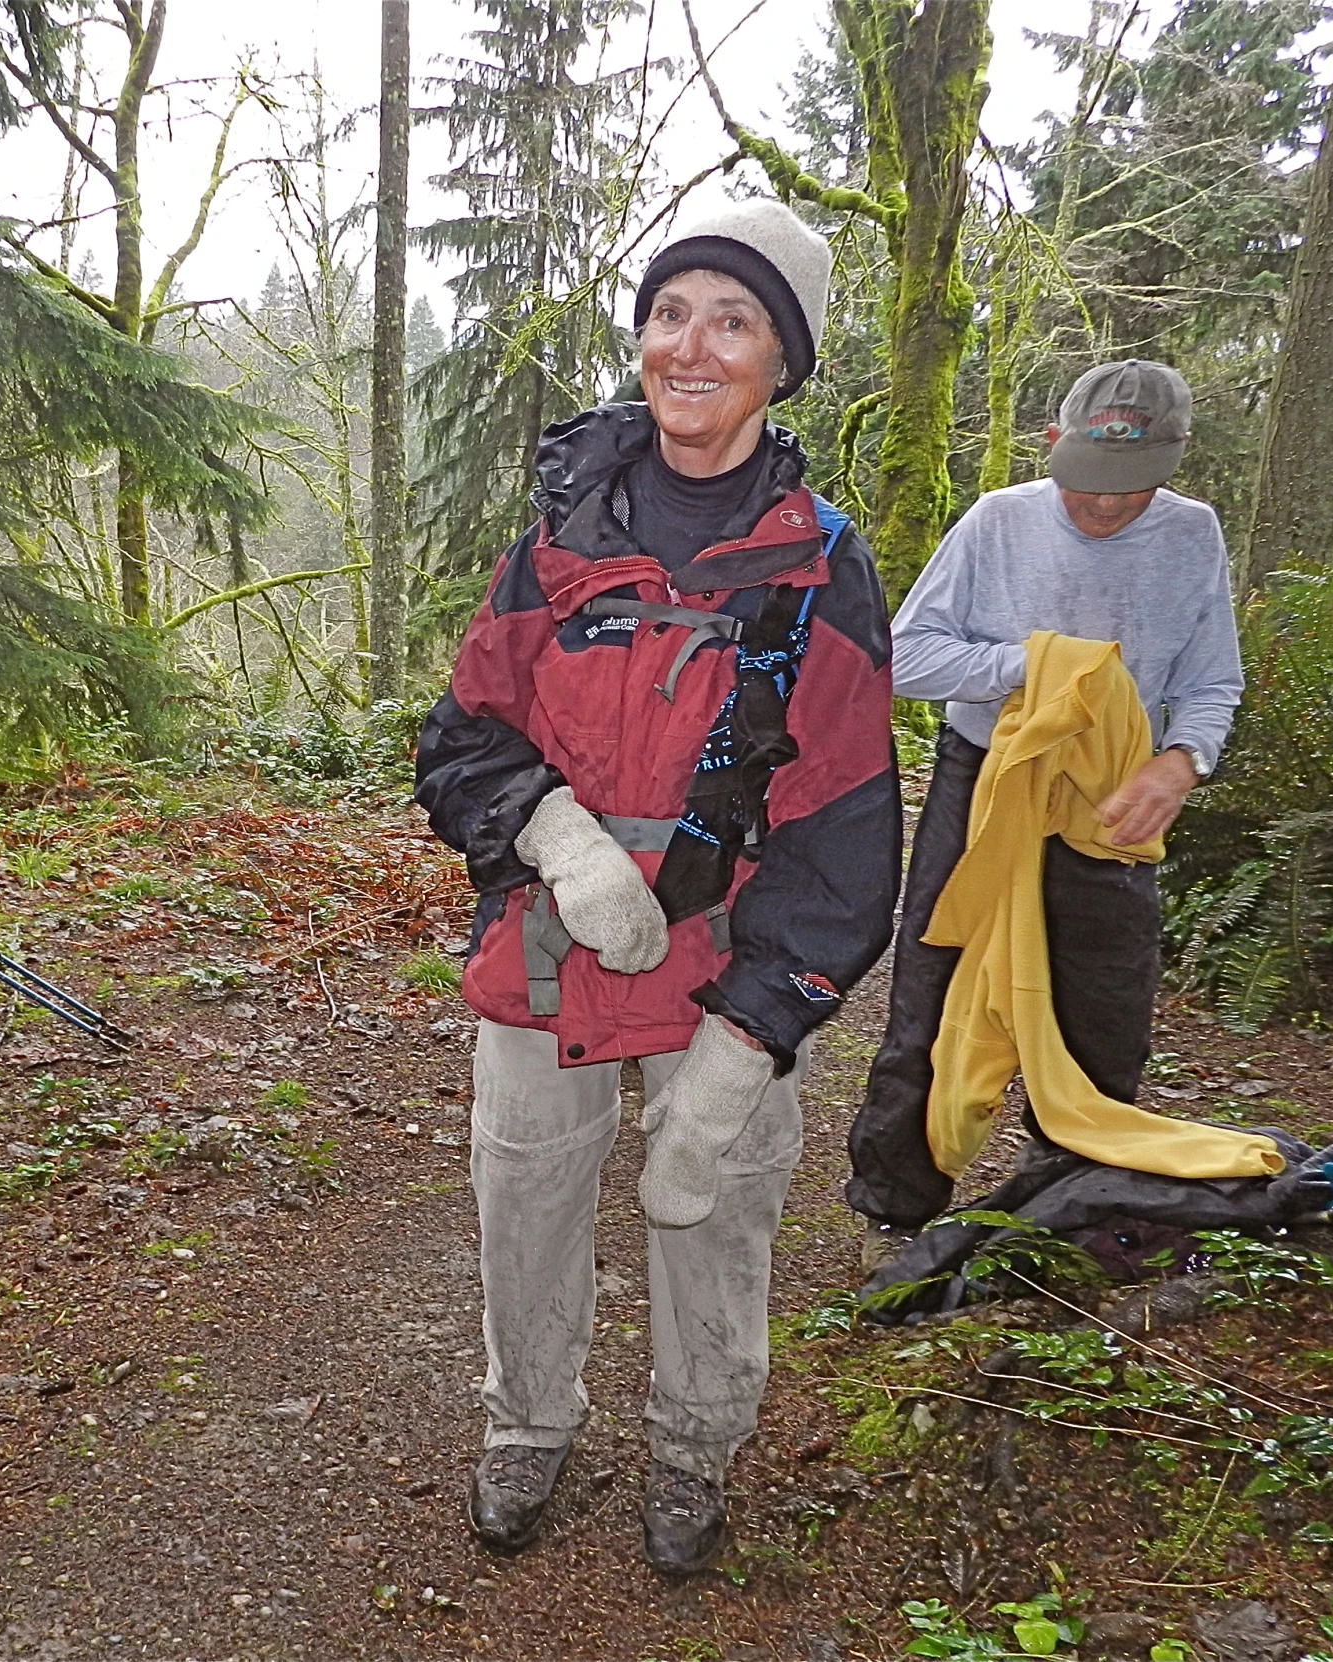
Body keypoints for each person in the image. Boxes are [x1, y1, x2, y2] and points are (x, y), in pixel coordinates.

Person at [414, 199, 901, 1577]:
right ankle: (527, 1423)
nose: (692, 345)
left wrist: (758, 1028)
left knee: (713, 1206)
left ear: (782, 361)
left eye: (734, 319)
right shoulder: (556, 538)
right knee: (526, 1197)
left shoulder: (818, 569)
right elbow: (462, 737)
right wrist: (552, 834)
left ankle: (694, 1447)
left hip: (727, 962)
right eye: (672, 311)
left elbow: (849, 816)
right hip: (544, 951)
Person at [844, 360, 1245, 1238]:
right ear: (1053, 443)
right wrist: (1036, 669)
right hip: (985, 780)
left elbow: (1214, 680)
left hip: (1110, 795)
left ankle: (1073, 1199)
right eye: (1089, 483)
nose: (1104, 505)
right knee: (936, 978)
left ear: (1175, 460)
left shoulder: (1192, 536)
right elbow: (904, 655)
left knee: (1106, 998)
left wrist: (1180, 762)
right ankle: (895, 1200)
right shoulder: (1000, 522)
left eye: (1132, 488)